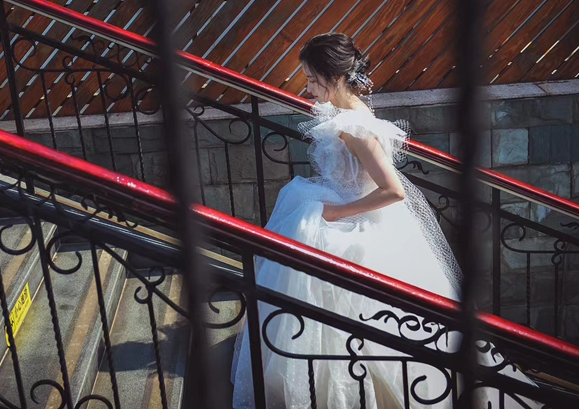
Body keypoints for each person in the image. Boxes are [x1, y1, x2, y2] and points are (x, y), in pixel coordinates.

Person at [230, 33, 537, 408]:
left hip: (354, 219)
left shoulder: (355, 127)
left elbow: (393, 190)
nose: (307, 88)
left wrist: (334, 213)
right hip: (342, 206)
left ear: (336, 77)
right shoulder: (347, 114)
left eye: (312, 79)